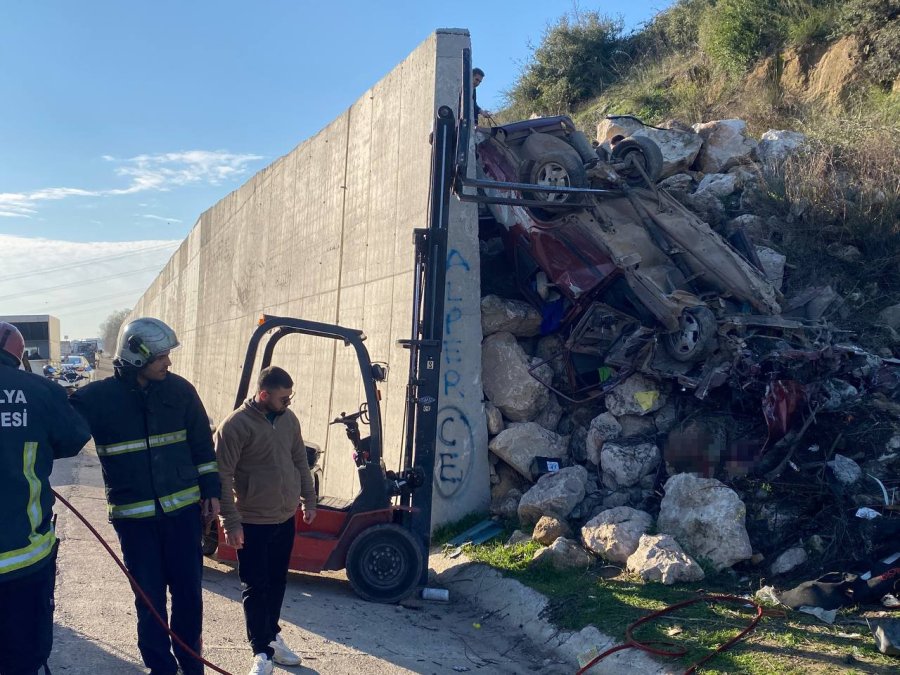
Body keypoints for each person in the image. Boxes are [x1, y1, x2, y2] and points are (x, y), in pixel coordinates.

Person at [70, 318, 220, 675]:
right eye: (161, 357)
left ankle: (191, 664)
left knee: (189, 597)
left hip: (183, 516)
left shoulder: (181, 391)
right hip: (134, 523)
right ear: (137, 356)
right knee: (149, 601)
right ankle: (161, 668)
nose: (168, 363)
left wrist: (212, 491)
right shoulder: (97, 399)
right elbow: (58, 431)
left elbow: (202, 445)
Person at [0, 321, 91, 675]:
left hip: (23, 561)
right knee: (21, 655)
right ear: (18, 354)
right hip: (22, 560)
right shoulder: (38, 390)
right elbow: (71, 440)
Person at [214, 366, 317, 675]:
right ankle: (260, 652)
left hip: (284, 518)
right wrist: (230, 522)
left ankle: (272, 638)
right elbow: (222, 474)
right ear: (263, 395)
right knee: (255, 587)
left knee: (277, 582)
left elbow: (300, 460)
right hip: (252, 522)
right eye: (284, 398)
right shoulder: (235, 426)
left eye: (290, 396)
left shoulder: (289, 420)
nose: (289, 402)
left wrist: (308, 500)